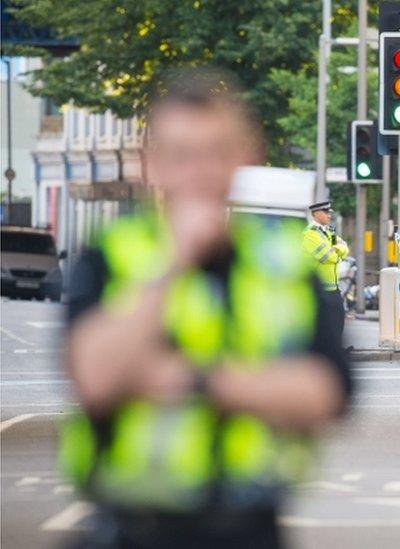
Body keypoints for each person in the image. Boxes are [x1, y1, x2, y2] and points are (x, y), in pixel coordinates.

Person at [60, 68, 353, 548]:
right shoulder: (109, 255)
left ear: (246, 158)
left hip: (250, 524)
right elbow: (93, 377)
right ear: (150, 164)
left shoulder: (281, 263)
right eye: (181, 156)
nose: (198, 171)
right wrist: (174, 260)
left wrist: (194, 380)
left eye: (217, 153)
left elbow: (328, 393)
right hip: (132, 526)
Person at [303, 200, 350, 336]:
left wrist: (336, 249)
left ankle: (338, 349)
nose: (329, 215)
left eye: (329, 212)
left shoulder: (330, 232)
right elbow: (328, 257)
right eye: (325, 212)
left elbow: (345, 248)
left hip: (333, 288)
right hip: (320, 289)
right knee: (325, 326)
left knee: (338, 320)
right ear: (316, 214)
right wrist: (337, 253)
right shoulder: (310, 234)